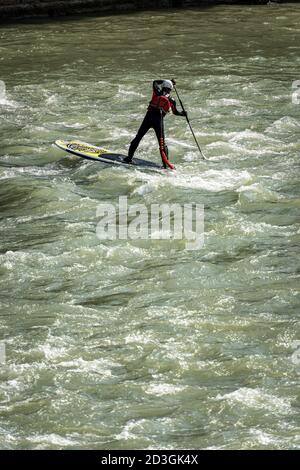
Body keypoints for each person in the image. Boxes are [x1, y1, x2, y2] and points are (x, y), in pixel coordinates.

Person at [125, 79, 187, 170]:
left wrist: (168, 80)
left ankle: (129, 159)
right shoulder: (171, 100)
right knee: (162, 144)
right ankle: (165, 165)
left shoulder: (157, 91)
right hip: (159, 121)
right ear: (171, 89)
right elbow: (175, 112)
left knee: (138, 137)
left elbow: (155, 82)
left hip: (148, 118)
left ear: (163, 86)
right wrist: (183, 114)